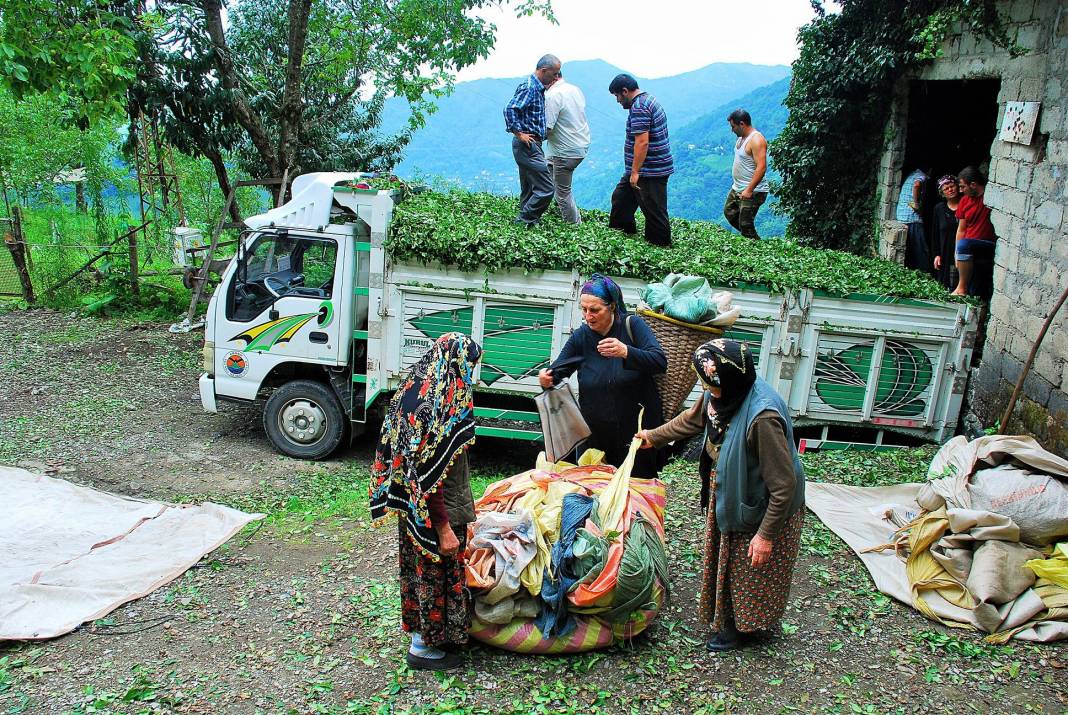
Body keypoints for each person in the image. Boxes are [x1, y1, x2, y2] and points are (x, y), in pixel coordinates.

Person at [636, 339, 805, 652]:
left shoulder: (762, 418)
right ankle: (729, 617)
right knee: (729, 557)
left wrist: (766, 535)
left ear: (730, 381)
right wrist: (653, 437)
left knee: (750, 566)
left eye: (709, 385)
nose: (706, 390)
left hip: (762, 500)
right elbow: (694, 419)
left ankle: (743, 628)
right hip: (733, 487)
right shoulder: (722, 390)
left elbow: (784, 485)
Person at [369, 333, 482, 671]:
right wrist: (444, 528)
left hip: (413, 507)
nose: (469, 373)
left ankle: (433, 637)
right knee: (436, 571)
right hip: (435, 509)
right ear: (456, 362)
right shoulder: (440, 406)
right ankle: (424, 646)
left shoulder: (415, 389)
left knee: (422, 571)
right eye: (468, 365)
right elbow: (429, 473)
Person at [538, 273, 666, 477]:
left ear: (612, 306)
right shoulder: (581, 336)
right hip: (594, 434)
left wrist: (626, 351)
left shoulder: (632, 326)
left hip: (635, 434)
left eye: (595, 310)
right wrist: (546, 378)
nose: (588, 316)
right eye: (584, 309)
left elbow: (659, 362)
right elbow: (558, 370)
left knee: (635, 491)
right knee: (593, 489)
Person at [606, 73, 674, 247]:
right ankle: (624, 241)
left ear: (625, 91)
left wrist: (636, 171)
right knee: (621, 200)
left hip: (649, 170)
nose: (618, 101)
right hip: (643, 169)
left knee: (654, 213)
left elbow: (642, 142)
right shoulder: (647, 100)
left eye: (617, 96)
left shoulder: (640, 107)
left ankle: (661, 248)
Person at [503, 55, 561, 226]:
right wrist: (519, 134)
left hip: (533, 144)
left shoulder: (538, 88)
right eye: (554, 73)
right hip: (527, 145)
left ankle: (526, 225)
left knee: (529, 187)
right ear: (544, 71)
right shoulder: (530, 88)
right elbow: (509, 109)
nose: (556, 77)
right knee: (546, 188)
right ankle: (523, 221)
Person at [544, 72, 591, 224]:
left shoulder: (552, 95)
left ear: (553, 76)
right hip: (580, 146)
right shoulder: (574, 89)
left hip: (564, 152)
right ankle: (550, 210)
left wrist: (527, 136)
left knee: (562, 192)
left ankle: (573, 226)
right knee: (548, 174)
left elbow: (547, 128)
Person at [723, 109, 769, 240]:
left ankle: (755, 244)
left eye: (733, 126)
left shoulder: (756, 140)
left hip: (753, 190)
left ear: (742, 124)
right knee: (729, 212)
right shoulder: (741, 138)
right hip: (738, 187)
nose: (732, 130)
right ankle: (749, 235)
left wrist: (749, 189)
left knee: (745, 224)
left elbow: (761, 167)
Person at [952, 166, 997, 298]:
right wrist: (957, 253)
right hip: (969, 249)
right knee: (977, 292)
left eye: (962, 187)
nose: (960, 191)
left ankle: (961, 287)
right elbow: (961, 230)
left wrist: (961, 247)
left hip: (986, 245)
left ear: (973, 185)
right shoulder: (965, 201)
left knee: (965, 245)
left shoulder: (990, 197)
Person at [895, 167, 931, 272]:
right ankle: (925, 273)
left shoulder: (912, 174)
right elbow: (917, 185)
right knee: (920, 249)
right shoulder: (921, 176)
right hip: (912, 218)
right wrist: (916, 204)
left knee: (910, 248)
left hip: (902, 216)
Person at [931, 175, 960, 290]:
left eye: (952, 186)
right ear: (942, 193)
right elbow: (935, 234)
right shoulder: (939, 209)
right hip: (945, 252)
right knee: (946, 285)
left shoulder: (965, 205)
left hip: (960, 250)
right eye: (946, 189)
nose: (950, 190)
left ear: (957, 187)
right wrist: (936, 254)